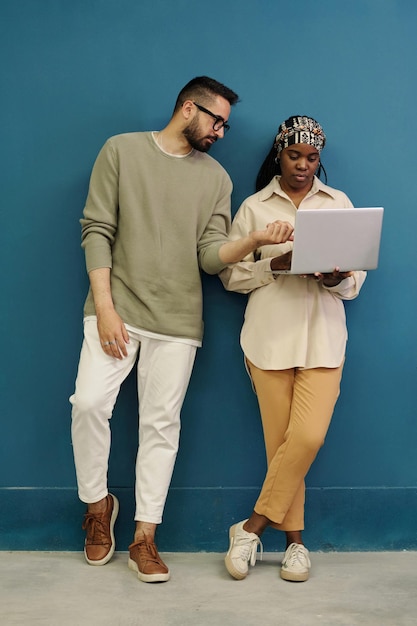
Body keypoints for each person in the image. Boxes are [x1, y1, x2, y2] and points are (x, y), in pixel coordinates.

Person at [70, 76, 293, 584]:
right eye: (216, 120)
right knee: (88, 404)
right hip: (116, 307)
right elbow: (96, 229)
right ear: (188, 108)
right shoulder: (121, 151)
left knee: (161, 427)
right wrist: (105, 308)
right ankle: (98, 505)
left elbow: (210, 257)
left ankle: (145, 536)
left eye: (226, 126)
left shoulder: (216, 178)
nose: (221, 131)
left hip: (177, 320)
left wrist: (253, 239)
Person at [220, 115, 366, 583]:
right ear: (278, 155)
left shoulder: (338, 203)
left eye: (312, 158)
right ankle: (296, 547)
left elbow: (356, 281)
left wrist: (337, 277)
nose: (303, 166)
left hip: (324, 340)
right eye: (294, 156)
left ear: (319, 160)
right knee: (279, 446)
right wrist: (275, 265)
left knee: (304, 440)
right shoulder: (254, 207)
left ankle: (250, 527)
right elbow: (231, 275)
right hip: (268, 340)